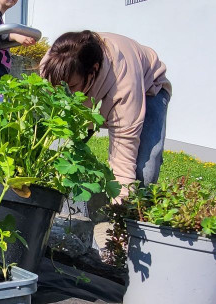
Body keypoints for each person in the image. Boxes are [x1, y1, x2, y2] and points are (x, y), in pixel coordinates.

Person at [40, 31, 170, 200]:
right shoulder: (51, 66)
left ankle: (137, 209)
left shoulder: (124, 89)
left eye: (71, 87)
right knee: (62, 155)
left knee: (145, 168)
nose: (63, 95)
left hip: (149, 88)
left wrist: (120, 210)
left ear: (92, 71)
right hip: (92, 91)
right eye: (56, 87)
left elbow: (123, 157)